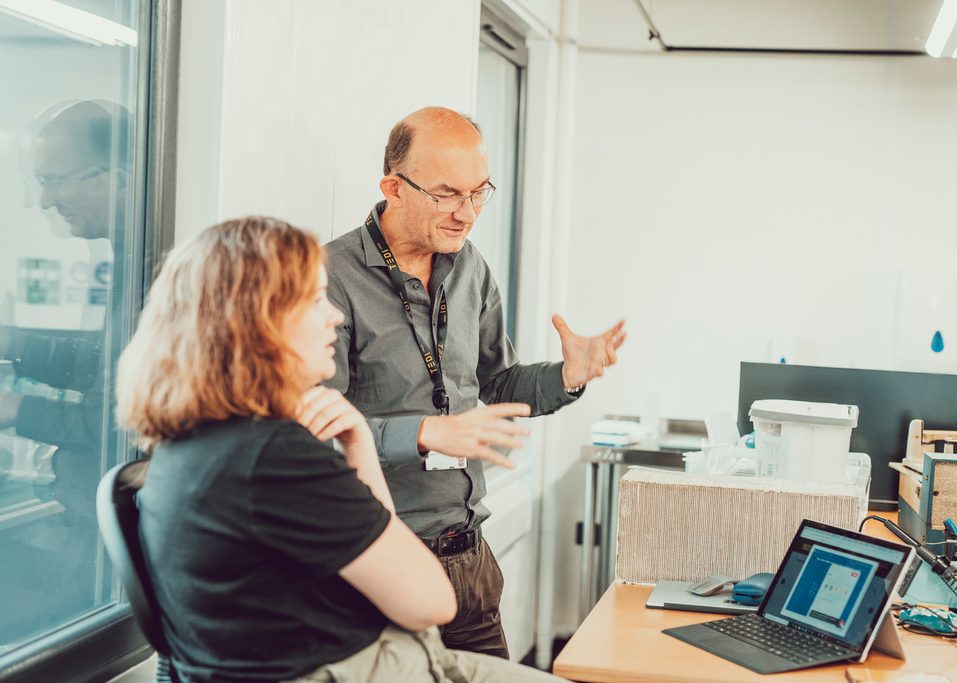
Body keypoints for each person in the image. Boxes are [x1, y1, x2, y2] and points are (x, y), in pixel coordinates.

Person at [116, 216, 565, 683]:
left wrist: (359, 443)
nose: (333, 315)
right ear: (259, 322)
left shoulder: (195, 444)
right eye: (314, 300)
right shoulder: (276, 458)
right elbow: (431, 602)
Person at [323, 106, 627, 658]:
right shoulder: (330, 277)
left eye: (478, 192)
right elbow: (318, 432)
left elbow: (499, 383)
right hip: (378, 564)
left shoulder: (469, 267)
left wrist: (567, 376)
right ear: (394, 188)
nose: (466, 214)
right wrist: (423, 433)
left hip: (468, 560)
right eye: (446, 194)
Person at [0, 100, 130, 639]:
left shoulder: (159, 269)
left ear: (116, 179)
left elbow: (118, 426)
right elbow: (102, 369)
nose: (46, 201)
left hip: (107, 530)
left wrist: (13, 408)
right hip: (89, 512)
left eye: (55, 180)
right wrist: (12, 343)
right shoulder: (129, 255)